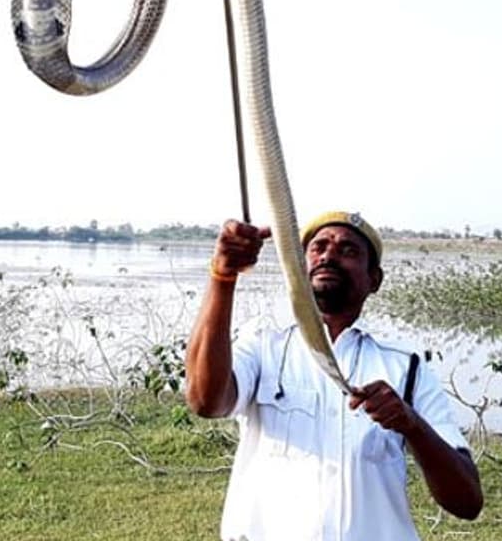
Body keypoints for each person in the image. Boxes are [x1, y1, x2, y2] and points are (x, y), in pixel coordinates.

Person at [185, 210, 484, 540]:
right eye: (318, 247)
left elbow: (467, 502)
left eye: (349, 250)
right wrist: (223, 276)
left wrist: (411, 424)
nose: (329, 255)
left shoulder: (406, 365)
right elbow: (204, 400)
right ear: (298, 268)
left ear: (374, 280)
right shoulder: (263, 342)